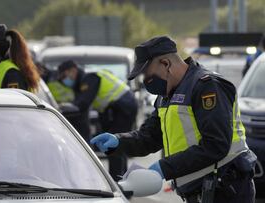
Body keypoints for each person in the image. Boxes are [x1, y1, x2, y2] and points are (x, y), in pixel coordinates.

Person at [91, 36, 257, 203]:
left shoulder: (207, 87)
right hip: (198, 190)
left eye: (147, 75)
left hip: (227, 188)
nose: (146, 82)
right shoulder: (165, 97)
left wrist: (163, 168)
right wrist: (119, 141)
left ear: (165, 63)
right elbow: (150, 137)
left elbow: (216, 145)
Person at [57, 60, 138, 181]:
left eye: (64, 76)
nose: (64, 80)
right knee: (119, 145)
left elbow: (83, 103)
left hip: (123, 106)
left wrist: (65, 108)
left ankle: (117, 184)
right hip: (119, 107)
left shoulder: (89, 78)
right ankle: (123, 182)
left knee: (114, 146)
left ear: (73, 70)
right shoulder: (82, 81)